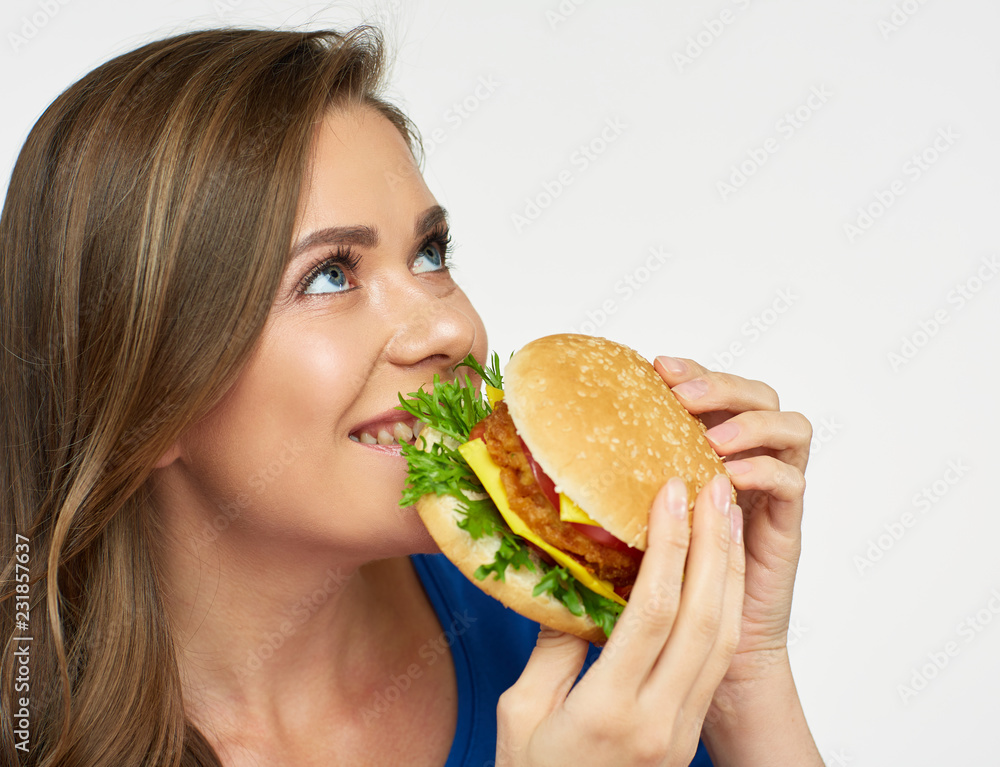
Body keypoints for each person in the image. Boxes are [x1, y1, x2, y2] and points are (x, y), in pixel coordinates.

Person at [0, 26, 823, 766]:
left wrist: (743, 675)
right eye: (329, 275)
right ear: (150, 401)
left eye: (430, 253)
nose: (447, 330)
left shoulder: (605, 645)